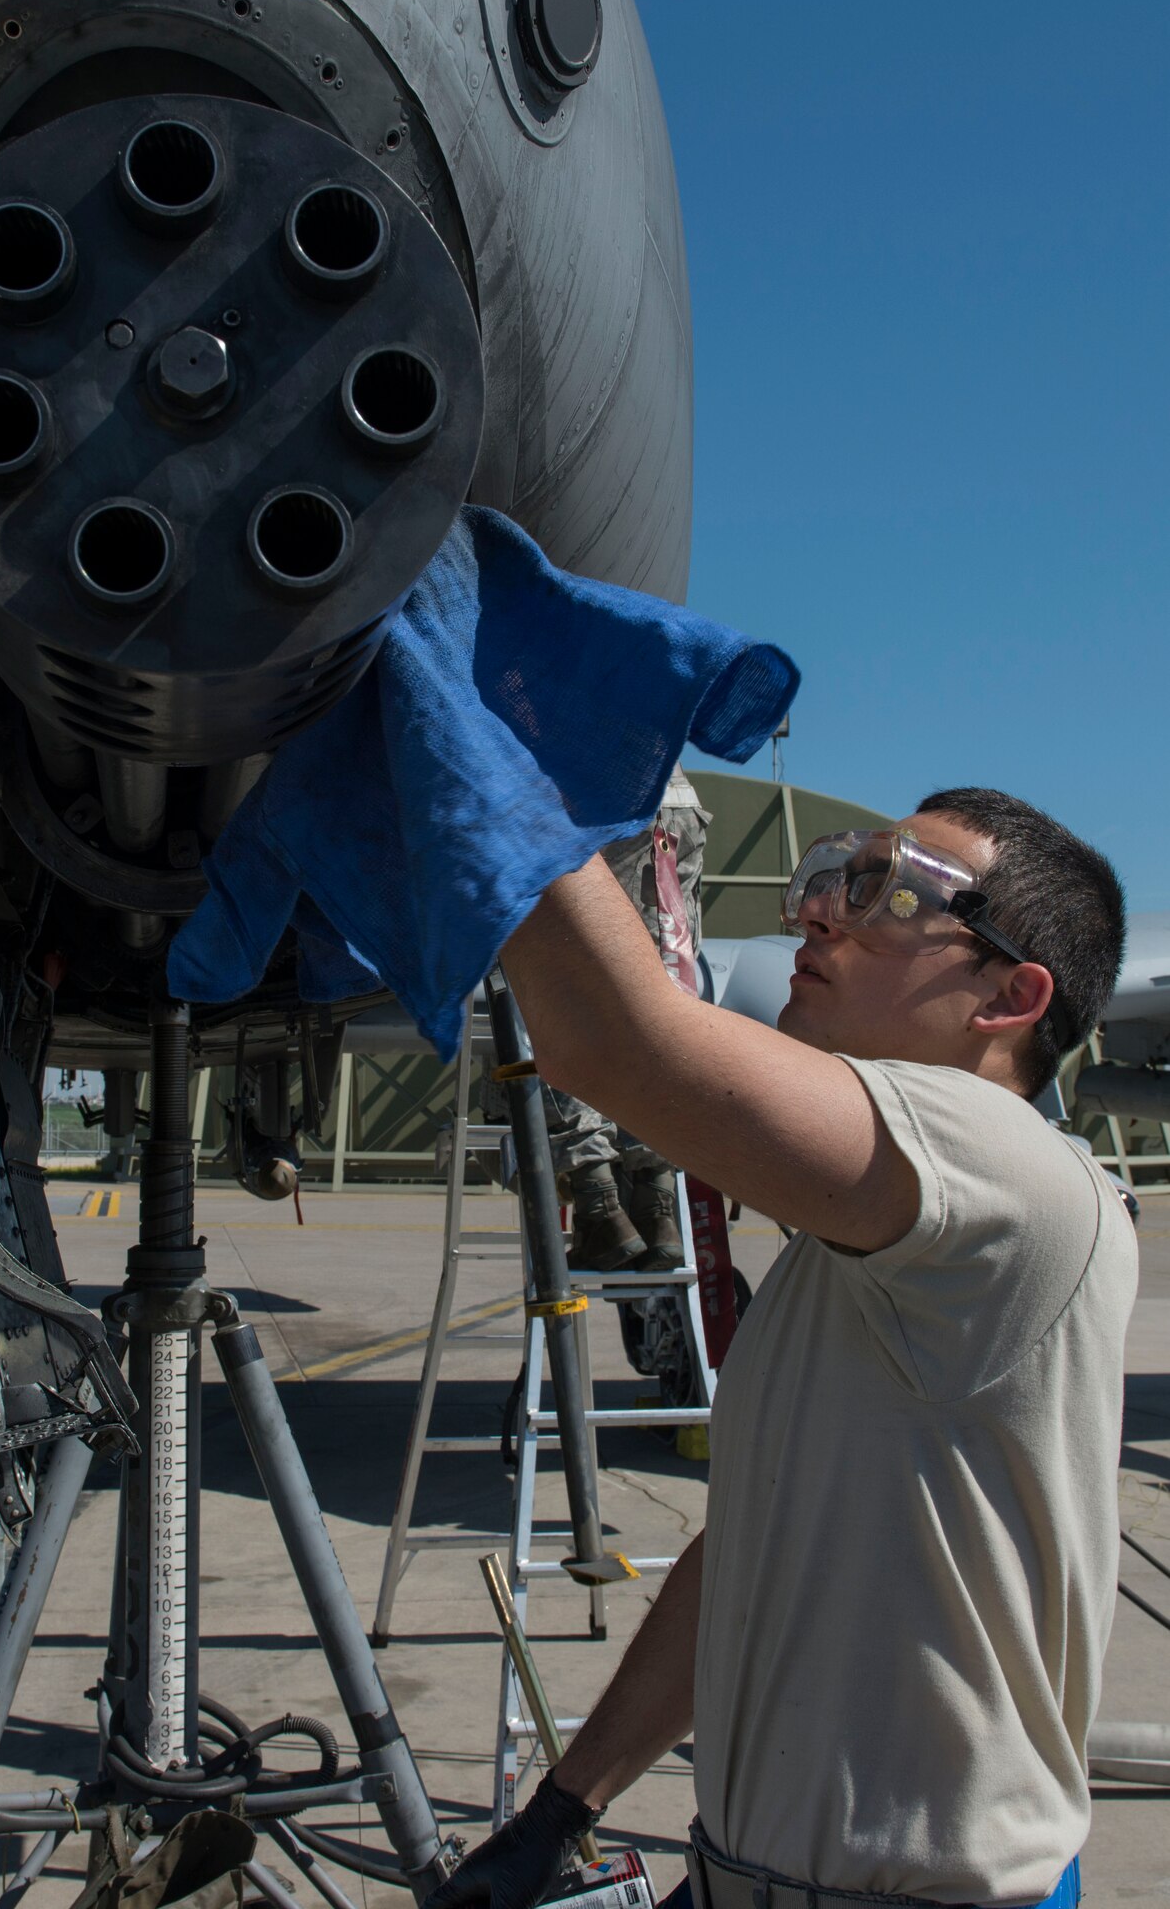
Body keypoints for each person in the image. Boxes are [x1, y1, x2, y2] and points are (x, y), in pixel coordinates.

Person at [427, 788, 1135, 1909]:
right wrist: (568, 1804)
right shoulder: (860, 1254)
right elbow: (751, 1547)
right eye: (834, 874)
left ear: (1012, 994)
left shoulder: (1009, 1166)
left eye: (890, 889)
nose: (819, 913)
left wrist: (503, 769)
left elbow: (615, 1042)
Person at [542, 761, 711, 1274]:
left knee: (560, 993)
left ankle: (599, 1206)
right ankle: (656, 1206)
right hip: (673, 797)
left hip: (576, 789)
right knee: (659, 998)